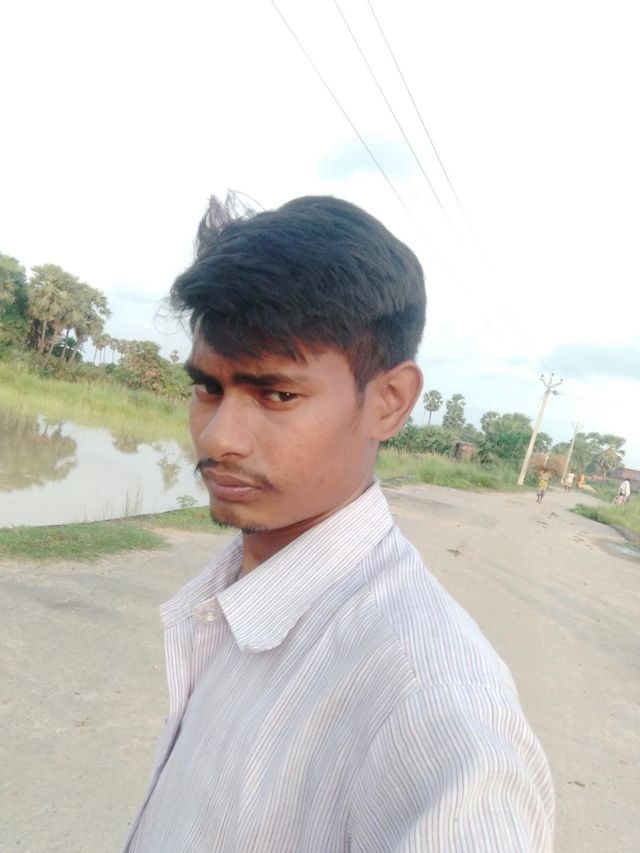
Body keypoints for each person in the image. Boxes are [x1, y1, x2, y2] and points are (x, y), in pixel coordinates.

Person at [123, 195, 554, 852]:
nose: (218, 436)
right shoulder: (239, 589)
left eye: (277, 394)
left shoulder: (432, 703)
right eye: (208, 388)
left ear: (389, 402)